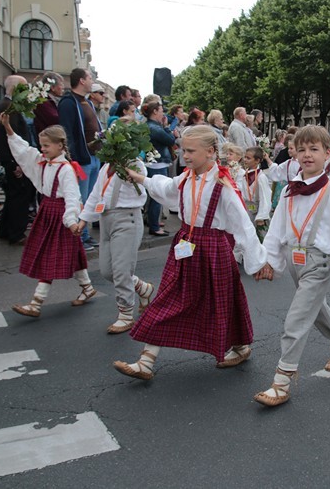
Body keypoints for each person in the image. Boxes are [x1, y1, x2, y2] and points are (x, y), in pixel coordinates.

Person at [113, 125, 269, 380]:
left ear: (210, 152)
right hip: (185, 245)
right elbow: (165, 188)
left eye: (190, 151)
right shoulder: (186, 177)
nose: (185, 155)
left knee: (222, 302)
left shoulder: (223, 185)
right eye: (183, 150)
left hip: (213, 249)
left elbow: (242, 225)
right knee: (167, 298)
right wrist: (141, 178)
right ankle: (146, 361)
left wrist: (257, 262)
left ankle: (240, 346)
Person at [253, 125, 330, 407]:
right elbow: (277, 227)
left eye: (314, 149)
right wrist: (269, 260)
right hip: (296, 261)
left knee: (296, 318)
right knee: (315, 308)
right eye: (302, 149)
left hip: (319, 261)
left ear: (328, 154)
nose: (307, 155)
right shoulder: (289, 191)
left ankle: (282, 381)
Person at [0, 113, 96, 317]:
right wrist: (8, 127)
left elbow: (72, 197)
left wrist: (71, 221)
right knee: (72, 252)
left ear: (60, 145)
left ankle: (36, 302)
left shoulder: (66, 170)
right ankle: (87, 287)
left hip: (59, 215)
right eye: (42, 145)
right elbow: (23, 150)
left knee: (48, 256)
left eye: (46, 146)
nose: (42, 149)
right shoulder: (43, 161)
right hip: (47, 212)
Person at [75, 118, 154, 334]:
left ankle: (125, 313)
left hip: (126, 219)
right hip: (106, 219)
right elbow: (95, 195)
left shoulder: (135, 164)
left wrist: (126, 170)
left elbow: (141, 181)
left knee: (121, 270)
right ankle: (142, 288)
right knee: (107, 271)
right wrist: (83, 220)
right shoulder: (106, 168)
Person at [57, 68, 102, 251]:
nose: (92, 81)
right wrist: (72, 157)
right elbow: (67, 132)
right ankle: (79, 237)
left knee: (90, 197)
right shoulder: (68, 103)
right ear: (82, 81)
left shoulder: (87, 102)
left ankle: (85, 234)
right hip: (82, 159)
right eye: (90, 77)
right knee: (81, 198)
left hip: (93, 157)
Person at [0, 75, 36, 246]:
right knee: (20, 196)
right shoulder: (9, 107)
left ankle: (6, 230)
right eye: (24, 87)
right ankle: (16, 233)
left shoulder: (10, 106)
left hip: (15, 159)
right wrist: (14, 163)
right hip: (15, 160)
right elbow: (8, 137)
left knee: (13, 196)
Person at [142, 100, 176, 237]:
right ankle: (154, 226)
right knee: (157, 195)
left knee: (154, 195)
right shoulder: (154, 127)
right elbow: (170, 140)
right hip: (157, 164)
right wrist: (167, 127)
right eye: (162, 110)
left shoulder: (151, 126)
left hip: (156, 162)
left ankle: (153, 221)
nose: (164, 113)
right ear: (155, 111)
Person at [33, 71, 64, 138]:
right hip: (48, 139)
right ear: (52, 88)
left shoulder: (50, 99)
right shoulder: (43, 101)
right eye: (61, 85)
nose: (63, 88)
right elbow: (55, 119)